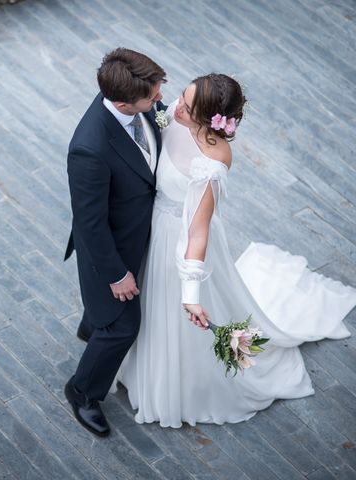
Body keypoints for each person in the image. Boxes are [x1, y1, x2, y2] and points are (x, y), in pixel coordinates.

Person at [115, 73, 356, 427]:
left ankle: (177, 381)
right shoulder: (174, 117)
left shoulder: (211, 164)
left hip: (178, 242)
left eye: (187, 105)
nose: (175, 106)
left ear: (209, 119)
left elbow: (197, 235)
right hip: (151, 225)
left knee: (168, 309)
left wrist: (191, 293)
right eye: (182, 96)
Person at [63, 47, 166, 437]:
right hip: (112, 248)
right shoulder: (89, 149)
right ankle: (82, 391)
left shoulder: (133, 94)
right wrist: (116, 274)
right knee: (123, 327)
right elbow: (91, 225)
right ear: (123, 103)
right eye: (153, 97)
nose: (160, 102)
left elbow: (160, 122)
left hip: (143, 227)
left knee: (105, 316)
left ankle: (90, 324)